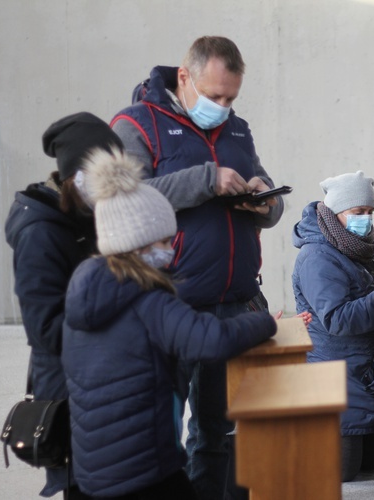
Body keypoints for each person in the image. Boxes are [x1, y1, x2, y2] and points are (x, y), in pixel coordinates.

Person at [111, 36, 284, 499]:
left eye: (231, 98)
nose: (223, 107)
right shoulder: (136, 125)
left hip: (233, 304)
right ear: (183, 77)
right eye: (214, 97)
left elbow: (267, 196)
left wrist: (262, 202)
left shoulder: (238, 129)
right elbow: (126, 201)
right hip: (169, 306)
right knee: (158, 435)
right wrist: (207, 180)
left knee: (216, 433)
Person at [60, 147, 278, 500]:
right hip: (146, 470)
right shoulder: (148, 299)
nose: (171, 250)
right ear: (139, 244)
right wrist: (262, 323)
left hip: (92, 471)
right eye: (164, 241)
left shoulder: (84, 290)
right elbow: (212, 339)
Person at [4, 112, 124, 499]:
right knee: (85, 487)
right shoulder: (40, 232)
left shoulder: (86, 217)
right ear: (76, 175)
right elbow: (45, 328)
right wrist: (121, 330)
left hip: (102, 384)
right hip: (69, 389)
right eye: (103, 173)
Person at [291, 171, 374, 482]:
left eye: (369, 212)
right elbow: (337, 319)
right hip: (338, 375)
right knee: (342, 474)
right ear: (336, 213)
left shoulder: (360, 248)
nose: (365, 219)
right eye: (358, 212)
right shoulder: (317, 256)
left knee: (371, 465)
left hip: (368, 371)